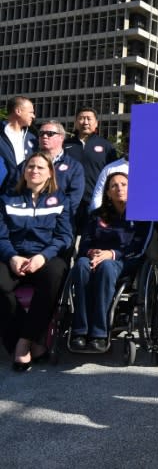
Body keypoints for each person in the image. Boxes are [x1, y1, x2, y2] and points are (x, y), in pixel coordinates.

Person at [0, 152, 71, 370]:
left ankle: (23, 344)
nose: (34, 171)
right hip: (13, 255)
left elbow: (64, 238)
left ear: (50, 173)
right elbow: (1, 235)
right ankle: (31, 341)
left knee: (54, 277)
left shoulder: (60, 200)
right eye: (30, 166)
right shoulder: (7, 198)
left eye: (40, 167)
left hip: (45, 257)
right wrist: (12, 257)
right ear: (24, 171)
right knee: (1, 287)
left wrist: (43, 257)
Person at [69, 172, 153, 352]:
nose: (119, 188)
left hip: (124, 262)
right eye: (114, 185)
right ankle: (79, 331)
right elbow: (84, 243)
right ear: (107, 192)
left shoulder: (141, 216)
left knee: (107, 267)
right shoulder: (96, 216)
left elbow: (139, 248)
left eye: (124, 184)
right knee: (81, 265)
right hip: (94, 260)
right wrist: (93, 252)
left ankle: (99, 332)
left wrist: (111, 254)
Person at [63, 106, 118, 231]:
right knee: (67, 239)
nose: (85, 122)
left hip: (96, 202)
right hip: (69, 201)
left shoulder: (106, 146)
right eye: (81, 118)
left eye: (89, 119)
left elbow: (113, 175)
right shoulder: (65, 145)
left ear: (96, 123)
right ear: (76, 122)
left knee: (93, 239)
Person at [37, 120, 85, 230]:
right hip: (29, 223)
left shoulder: (74, 167)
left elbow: (74, 199)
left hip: (60, 225)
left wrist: (52, 216)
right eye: (41, 134)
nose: (44, 136)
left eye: (50, 134)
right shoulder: (26, 165)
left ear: (61, 137)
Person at [0, 96, 37, 193]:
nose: (33, 116)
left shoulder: (33, 139)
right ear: (18, 111)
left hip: (24, 193)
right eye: (31, 112)